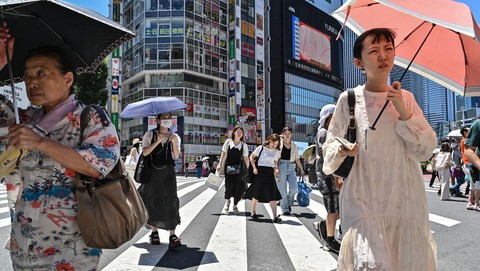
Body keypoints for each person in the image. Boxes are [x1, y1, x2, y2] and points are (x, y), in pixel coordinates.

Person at [0, 30, 120, 269]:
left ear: (68, 79)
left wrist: (40, 143)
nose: (31, 82)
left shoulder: (91, 116)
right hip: (25, 246)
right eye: (26, 75)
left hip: (72, 251)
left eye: (41, 73)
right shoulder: (23, 119)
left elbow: (100, 164)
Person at [322, 28, 437, 270]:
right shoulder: (349, 99)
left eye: (388, 49)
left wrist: (403, 112)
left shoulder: (405, 98)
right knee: (371, 264)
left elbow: (424, 150)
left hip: (404, 199)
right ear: (358, 62)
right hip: (364, 198)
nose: (383, 56)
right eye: (374, 51)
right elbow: (330, 144)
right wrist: (342, 150)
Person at [138, 112, 182, 249]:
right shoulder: (150, 135)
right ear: (157, 120)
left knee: (170, 200)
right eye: (164, 118)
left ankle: (172, 234)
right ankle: (154, 232)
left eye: (169, 118)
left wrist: (174, 142)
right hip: (153, 173)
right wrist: (157, 141)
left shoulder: (175, 136)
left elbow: (175, 156)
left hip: (169, 172)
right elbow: (144, 153)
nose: (167, 120)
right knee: (153, 200)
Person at [312, 104, 341, 253]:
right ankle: (330, 240)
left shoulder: (331, 132)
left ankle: (324, 225)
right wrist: (336, 177)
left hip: (332, 176)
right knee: (332, 209)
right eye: (335, 114)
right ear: (328, 116)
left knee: (339, 210)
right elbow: (328, 157)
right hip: (327, 176)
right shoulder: (324, 133)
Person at [243, 133, 283, 223]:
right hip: (260, 172)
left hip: (269, 174)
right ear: (269, 140)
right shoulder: (260, 148)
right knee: (256, 194)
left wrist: (276, 169)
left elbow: (275, 162)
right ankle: (253, 211)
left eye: (276, 144)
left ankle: (275, 216)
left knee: (273, 195)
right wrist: (254, 168)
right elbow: (251, 158)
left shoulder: (276, 151)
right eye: (273, 143)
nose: (274, 145)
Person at [217, 125, 249, 213]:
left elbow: (246, 158)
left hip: (240, 169)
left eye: (241, 132)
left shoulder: (244, 145)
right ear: (234, 132)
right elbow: (223, 154)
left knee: (238, 187)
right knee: (228, 186)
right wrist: (219, 164)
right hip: (229, 168)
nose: (239, 134)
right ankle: (228, 201)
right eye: (238, 131)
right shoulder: (228, 142)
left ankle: (235, 205)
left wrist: (248, 169)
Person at [276, 127, 305, 215]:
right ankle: (285, 209)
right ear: (283, 134)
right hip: (281, 165)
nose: (287, 135)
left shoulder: (294, 145)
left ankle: (288, 202)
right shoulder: (279, 144)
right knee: (282, 189)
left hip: (291, 166)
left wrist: (301, 168)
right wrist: (276, 168)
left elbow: (297, 158)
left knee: (294, 188)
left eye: (289, 133)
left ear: (291, 134)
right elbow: (275, 158)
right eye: (286, 133)